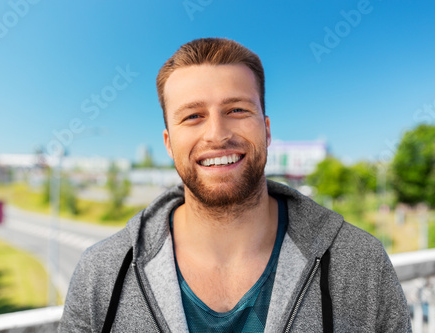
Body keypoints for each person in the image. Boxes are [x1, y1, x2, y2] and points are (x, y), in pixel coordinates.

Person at [59, 37, 412, 332]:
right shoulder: (101, 275)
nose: (217, 134)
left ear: (267, 129)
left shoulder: (360, 264)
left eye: (238, 110)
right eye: (193, 116)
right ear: (168, 143)